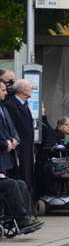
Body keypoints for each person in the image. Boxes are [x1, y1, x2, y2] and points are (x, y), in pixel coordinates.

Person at [0, 79, 40, 232]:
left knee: (22, 183)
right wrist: (6, 143)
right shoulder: (11, 105)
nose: (6, 92)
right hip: (11, 153)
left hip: (16, 150)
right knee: (13, 184)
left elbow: (12, 128)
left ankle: (28, 217)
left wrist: (14, 139)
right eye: (3, 90)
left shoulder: (4, 107)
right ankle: (21, 219)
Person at [43, 116, 69, 202]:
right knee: (47, 169)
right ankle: (50, 194)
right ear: (59, 126)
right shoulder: (53, 135)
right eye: (66, 124)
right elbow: (48, 148)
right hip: (56, 162)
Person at [4, 79, 35, 192]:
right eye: (30, 87)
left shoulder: (25, 105)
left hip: (28, 148)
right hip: (18, 149)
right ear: (23, 90)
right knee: (20, 177)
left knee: (28, 177)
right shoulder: (11, 105)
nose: (32, 89)